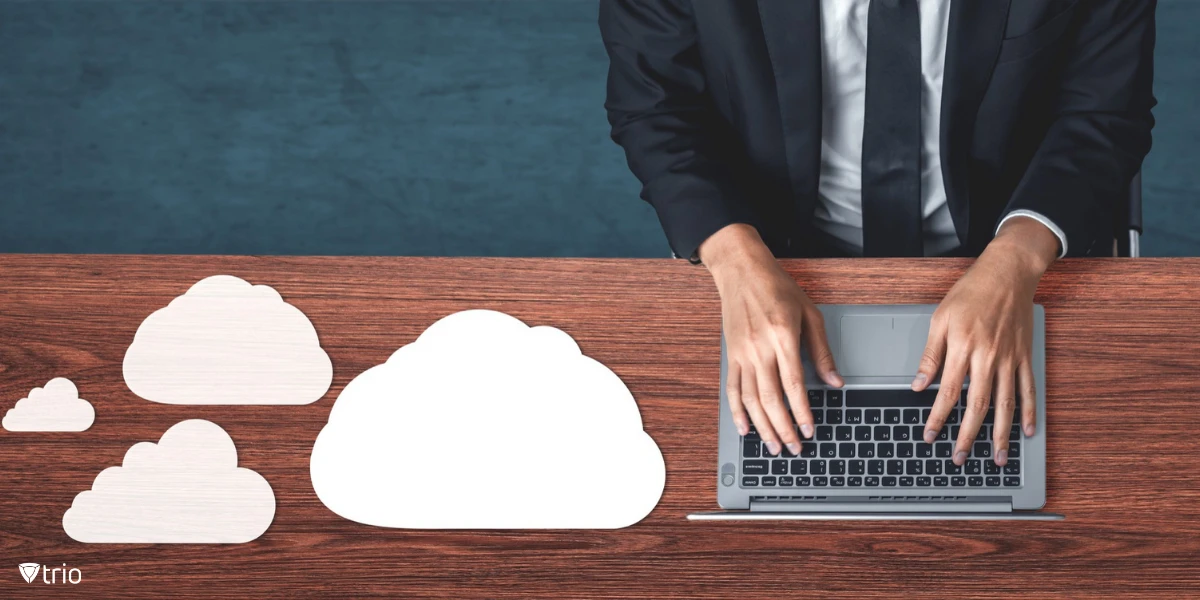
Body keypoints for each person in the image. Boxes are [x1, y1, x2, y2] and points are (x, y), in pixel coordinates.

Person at [599, 0, 1155, 467]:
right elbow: (654, 102)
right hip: (771, 252)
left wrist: (1016, 257)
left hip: (1005, 246)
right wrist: (734, 254)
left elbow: (1104, 112)